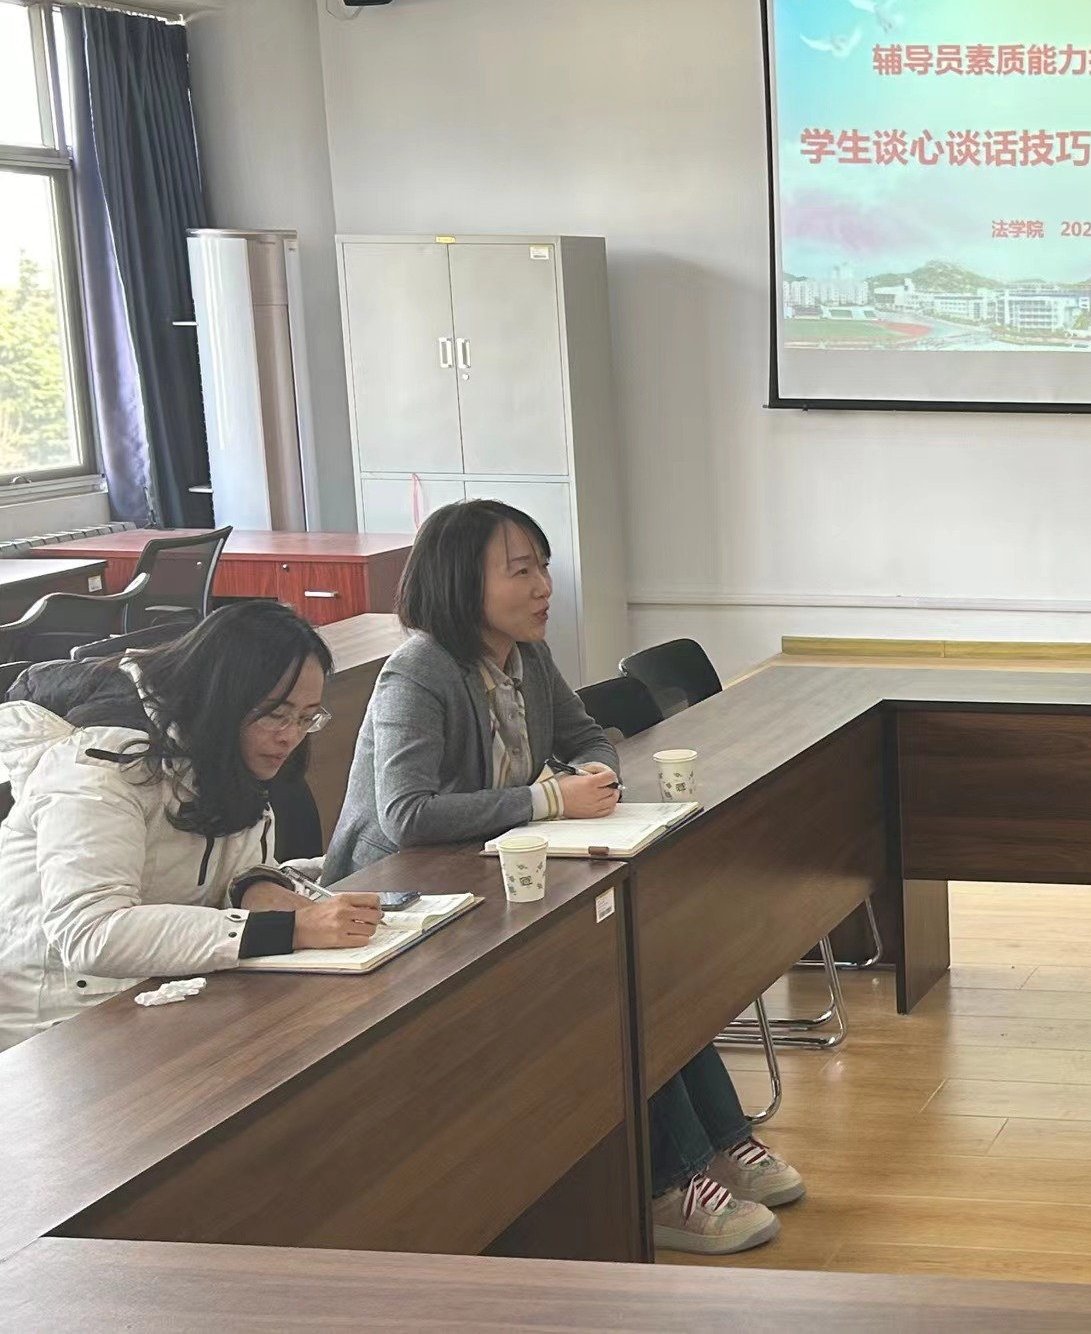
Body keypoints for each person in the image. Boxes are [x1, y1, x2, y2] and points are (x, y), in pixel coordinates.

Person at [325, 499, 804, 1256]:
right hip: (399, 901)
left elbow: (588, 737)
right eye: (521, 571)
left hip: (491, 874)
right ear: (461, 582)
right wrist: (550, 799)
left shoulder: (527, 656)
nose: (544, 586)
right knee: (601, 986)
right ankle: (667, 1185)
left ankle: (718, 1142)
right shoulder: (418, 671)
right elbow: (407, 814)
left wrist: (590, 774)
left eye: (543, 567)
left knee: (641, 965)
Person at [0, 602, 381, 1053]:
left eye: (306, 717)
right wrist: (288, 929)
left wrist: (255, 887)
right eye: (276, 714)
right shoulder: (97, 769)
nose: (290, 735)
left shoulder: (226, 757)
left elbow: (224, 868)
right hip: (53, 1026)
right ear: (221, 699)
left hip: (159, 990)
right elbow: (90, 934)